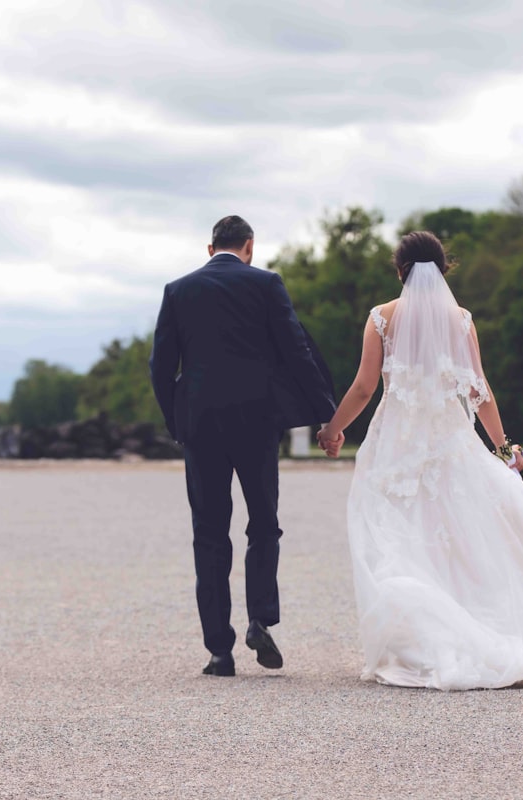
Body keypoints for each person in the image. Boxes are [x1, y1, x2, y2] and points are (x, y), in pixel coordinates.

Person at [316, 231, 523, 690]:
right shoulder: (461, 321)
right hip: (451, 444)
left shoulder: (381, 318)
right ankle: (479, 629)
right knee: (467, 537)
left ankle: (421, 640)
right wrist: (505, 452)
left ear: (400, 271)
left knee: (398, 538)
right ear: (444, 270)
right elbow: (479, 392)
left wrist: (332, 429)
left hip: (397, 447)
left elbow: (364, 388)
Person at [150, 215, 337, 677]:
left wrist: (178, 421)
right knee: (264, 524)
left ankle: (219, 651)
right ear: (249, 246)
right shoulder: (266, 284)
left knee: (210, 533)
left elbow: (161, 366)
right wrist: (327, 414)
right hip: (257, 421)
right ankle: (260, 619)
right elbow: (296, 350)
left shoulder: (178, 290)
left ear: (210, 248)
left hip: (201, 425)